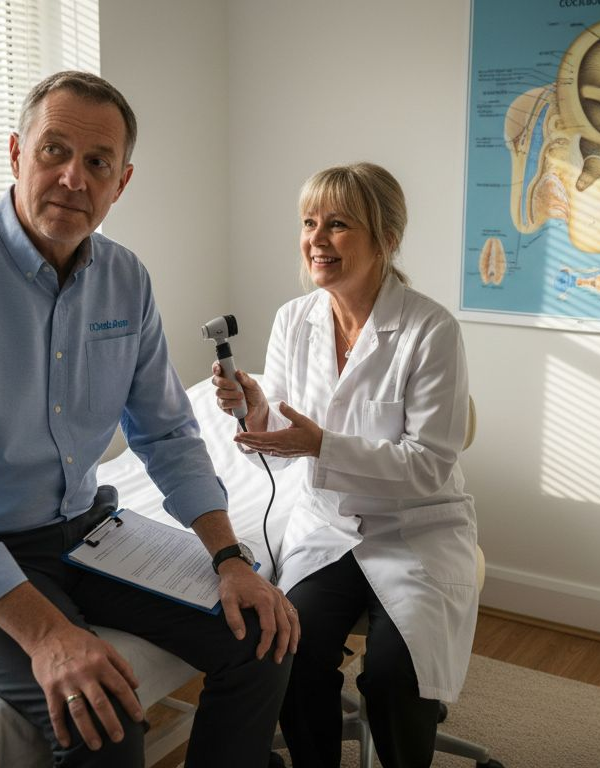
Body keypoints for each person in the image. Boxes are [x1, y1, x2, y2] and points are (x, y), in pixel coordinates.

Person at [0, 70, 297, 768]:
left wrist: (229, 558)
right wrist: (48, 636)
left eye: (96, 162)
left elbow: (166, 433)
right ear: (16, 153)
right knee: (100, 723)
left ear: (120, 182)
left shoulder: (125, 280)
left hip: (82, 532)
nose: (73, 178)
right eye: (53, 151)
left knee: (261, 637)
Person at [212, 162, 479, 768]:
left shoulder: (430, 329)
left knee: (392, 675)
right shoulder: (293, 319)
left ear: (386, 237)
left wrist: (321, 446)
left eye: (337, 224)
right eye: (309, 223)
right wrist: (252, 405)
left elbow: (431, 464)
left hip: (415, 529)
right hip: (328, 525)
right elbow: (280, 427)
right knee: (287, 648)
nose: (316, 239)